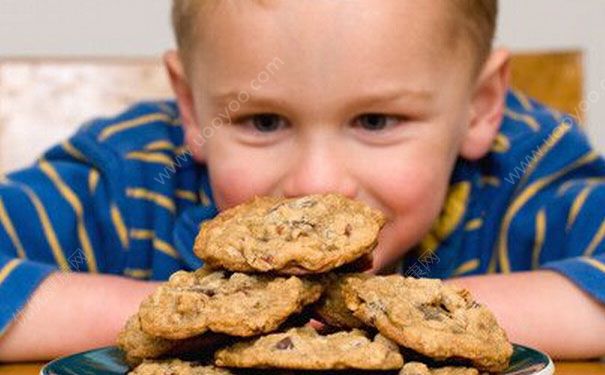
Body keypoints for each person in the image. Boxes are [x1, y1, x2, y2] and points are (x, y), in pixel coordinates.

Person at [0, 0, 604, 362]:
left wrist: (413, 317)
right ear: (191, 107)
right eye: (264, 121)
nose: (319, 185)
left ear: (478, 106)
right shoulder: (129, 177)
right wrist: (193, 317)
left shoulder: (526, 170)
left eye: (375, 120)